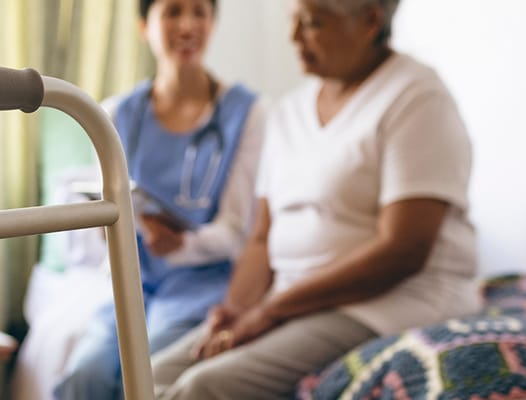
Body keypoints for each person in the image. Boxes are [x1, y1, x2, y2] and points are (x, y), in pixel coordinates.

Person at [150, 0, 480, 398]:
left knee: (205, 387)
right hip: (295, 300)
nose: (293, 37)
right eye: (293, 22)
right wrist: (237, 310)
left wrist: (271, 311)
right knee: (151, 374)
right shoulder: (289, 111)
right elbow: (262, 236)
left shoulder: (416, 97)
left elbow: (403, 250)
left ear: (369, 21)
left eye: (312, 23)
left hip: (383, 303)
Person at [53, 0, 268, 399]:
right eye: (172, 12)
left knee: (147, 372)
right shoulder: (116, 114)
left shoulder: (248, 114)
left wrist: (183, 244)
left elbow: (237, 229)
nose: (187, 25)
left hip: (201, 286)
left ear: (213, 24)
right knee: (84, 377)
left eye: (199, 13)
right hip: (127, 280)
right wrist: (108, 227)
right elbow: (96, 232)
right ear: (144, 27)